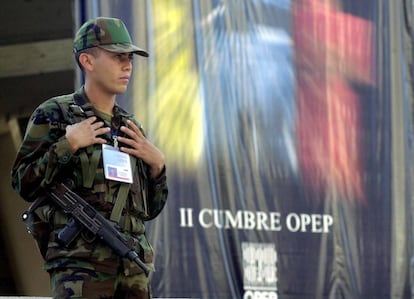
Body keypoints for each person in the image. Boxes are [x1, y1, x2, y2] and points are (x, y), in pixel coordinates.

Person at [11, 17, 168, 299]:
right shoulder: (55, 114)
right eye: (118, 56)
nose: (127, 65)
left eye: (129, 58)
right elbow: (23, 183)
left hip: (131, 268)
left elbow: (147, 211)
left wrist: (157, 166)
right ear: (88, 60)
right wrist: (67, 145)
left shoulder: (129, 126)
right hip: (80, 269)